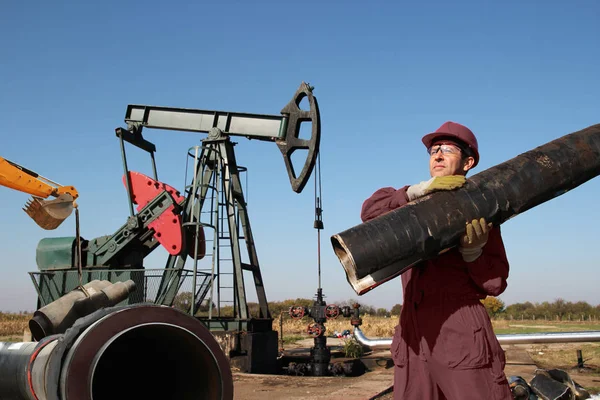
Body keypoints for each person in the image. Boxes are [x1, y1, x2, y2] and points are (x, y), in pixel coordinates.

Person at [360, 121, 512, 400]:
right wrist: (413, 192)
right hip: (413, 334)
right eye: (433, 151)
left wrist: (473, 254)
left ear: (468, 162)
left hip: (459, 329)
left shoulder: (480, 208)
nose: (438, 156)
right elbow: (368, 214)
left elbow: (496, 283)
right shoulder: (412, 203)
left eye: (447, 150)